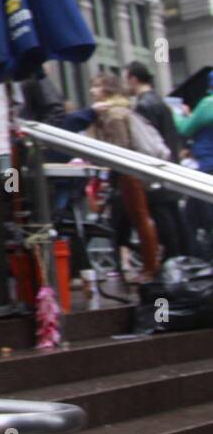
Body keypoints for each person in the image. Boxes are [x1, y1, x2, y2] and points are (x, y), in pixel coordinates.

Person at [85, 73, 160, 282]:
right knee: (137, 217)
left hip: (128, 172)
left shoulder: (114, 114)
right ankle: (148, 265)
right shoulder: (112, 112)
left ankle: (151, 267)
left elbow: (121, 147)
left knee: (140, 217)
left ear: (107, 90)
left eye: (96, 86)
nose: (92, 91)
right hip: (125, 173)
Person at [125, 60, 190, 258]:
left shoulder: (144, 106)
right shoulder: (160, 102)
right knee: (175, 220)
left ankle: (174, 265)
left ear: (133, 79)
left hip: (157, 172)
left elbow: (147, 144)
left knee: (165, 222)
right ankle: (183, 264)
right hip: (169, 169)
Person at [175, 70, 213, 246]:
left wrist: (177, 113)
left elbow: (185, 128)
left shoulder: (208, 103)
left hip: (208, 166)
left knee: (195, 216)